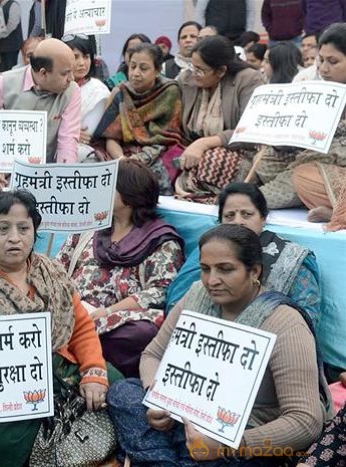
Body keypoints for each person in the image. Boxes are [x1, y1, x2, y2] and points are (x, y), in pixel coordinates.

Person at [108, 223, 332, 466]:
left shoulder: (284, 322)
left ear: (254, 271)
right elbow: (152, 355)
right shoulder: (196, 295)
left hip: (243, 437)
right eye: (205, 269)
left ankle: (160, 457)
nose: (212, 280)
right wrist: (158, 399)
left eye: (225, 270)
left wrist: (229, 446)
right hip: (185, 418)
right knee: (123, 393)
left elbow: (305, 421)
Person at [0, 189, 120, 467]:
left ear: (34, 232)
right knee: (5, 448)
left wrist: (93, 372)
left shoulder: (50, 271)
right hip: (7, 389)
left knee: (120, 389)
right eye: (3, 228)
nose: (14, 238)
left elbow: (79, 324)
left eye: (23, 228)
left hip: (63, 367)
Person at [56, 159, 184, 377]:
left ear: (129, 196)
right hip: (73, 311)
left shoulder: (160, 239)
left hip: (116, 319)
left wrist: (106, 312)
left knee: (143, 332)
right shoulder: (89, 226)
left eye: (109, 185)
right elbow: (58, 268)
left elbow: (159, 291)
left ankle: (80, 354)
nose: (101, 191)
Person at [167, 182, 321, 326]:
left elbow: (306, 318)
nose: (238, 221)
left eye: (247, 214)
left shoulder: (290, 257)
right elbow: (177, 303)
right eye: (229, 216)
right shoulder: (207, 252)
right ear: (220, 221)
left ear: (263, 218)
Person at [0, 38, 81, 205]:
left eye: (71, 71)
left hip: (43, 175)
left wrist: (63, 182)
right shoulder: (2, 84)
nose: (71, 78)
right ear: (43, 73)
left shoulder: (72, 92)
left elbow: (67, 141)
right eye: (65, 73)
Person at [174, 35, 265, 204]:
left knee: (212, 160)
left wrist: (204, 144)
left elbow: (250, 131)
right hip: (188, 150)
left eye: (200, 70)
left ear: (221, 71)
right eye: (192, 67)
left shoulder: (248, 80)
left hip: (238, 152)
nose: (194, 74)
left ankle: (206, 196)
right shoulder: (187, 79)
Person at [94, 43, 185, 193]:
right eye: (132, 66)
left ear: (157, 71)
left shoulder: (169, 91)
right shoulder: (122, 92)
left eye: (143, 68)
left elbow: (167, 137)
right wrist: (122, 160)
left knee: (153, 174)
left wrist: (141, 159)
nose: (135, 73)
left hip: (159, 151)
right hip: (124, 153)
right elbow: (111, 137)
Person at [290, 23, 346, 227]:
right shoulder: (318, 92)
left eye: (333, 61)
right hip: (326, 170)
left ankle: (338, 213)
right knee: (302, 175)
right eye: (321, 60)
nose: (323, 68)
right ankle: (338, 210)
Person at [62, 34, 110, 162]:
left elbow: (88, 134)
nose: (82, 63)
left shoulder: (98, 90)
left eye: (86, 56)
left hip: (86, 151)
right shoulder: (53, 86)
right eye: (75, 57)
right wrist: (71, 133)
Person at [0, 0, 22, 72]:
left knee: (11, 70)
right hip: (1, 46)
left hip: (12, 46)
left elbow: (12, 24)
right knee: (3, 71)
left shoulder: (13, 4)